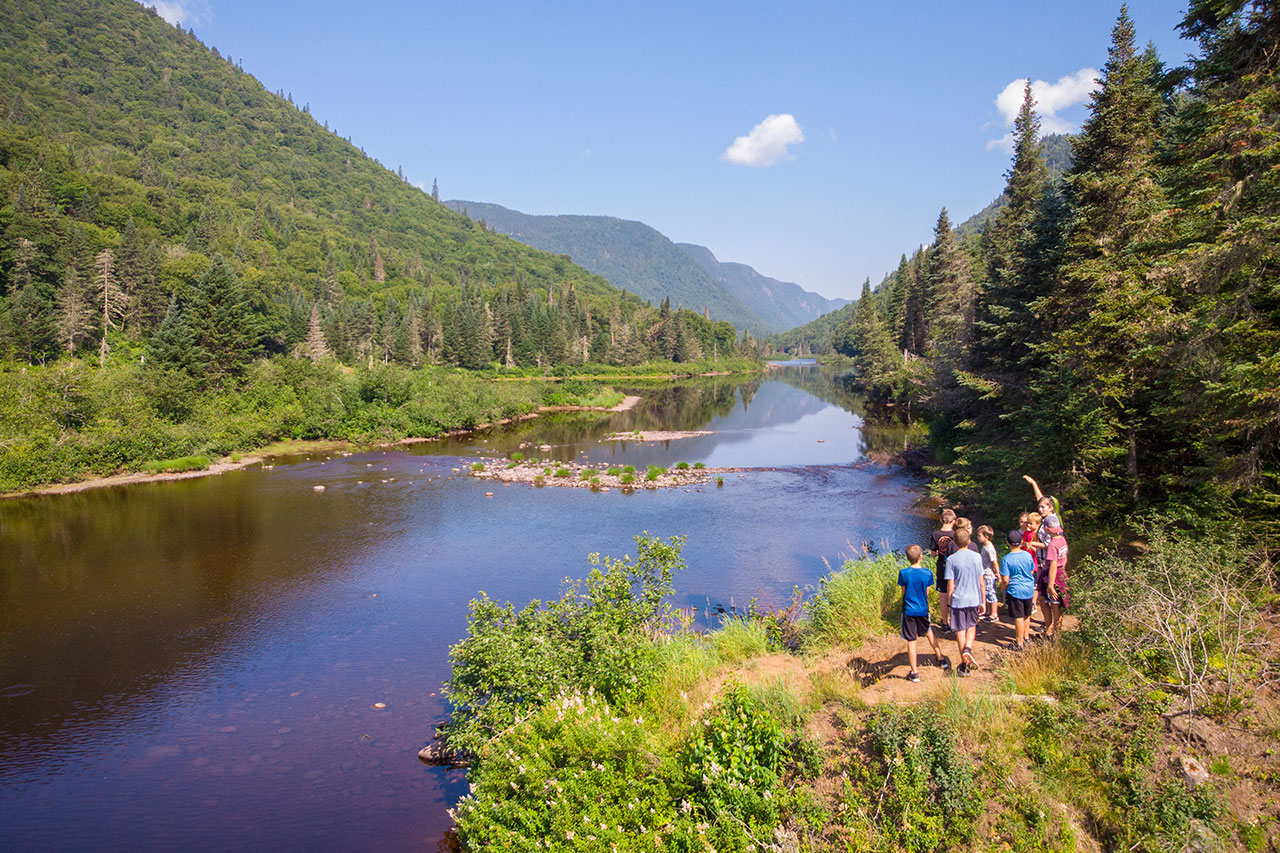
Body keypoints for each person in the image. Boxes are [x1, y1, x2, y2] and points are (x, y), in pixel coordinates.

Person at [898, 544, 950, 682]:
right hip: (923, 609)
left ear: (908, 558)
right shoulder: (928, 573)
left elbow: (903, 592)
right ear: (921, 557)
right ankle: (941, 659)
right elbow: (927, 592)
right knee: (928, 631)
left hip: (908, 610)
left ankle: (914, 672)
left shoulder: (904, 573)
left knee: (911, 640)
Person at [944, 527, 985, 675]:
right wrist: (983, 601)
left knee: (960, 630)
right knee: (972, 626)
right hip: (974, 598)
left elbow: (950, 585)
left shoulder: (951, 560)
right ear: (969, 541)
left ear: (954, 542)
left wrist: (949, 603)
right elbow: (981, 582)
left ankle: (964, 664)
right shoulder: (977, 557)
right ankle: (968, 649)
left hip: (958, 600)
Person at [1000, 530, 1036, 650]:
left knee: (1018, 617)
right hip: (1029, 589)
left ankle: (1019, 643)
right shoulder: (1027, 555)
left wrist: (1004, 588)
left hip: (1015, 591)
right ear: (1021, 542)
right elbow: (1032, 570)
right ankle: (1026, 637)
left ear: (1007, 543)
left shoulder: (1006, 559)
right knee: (1027, 614)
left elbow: (1005, 579)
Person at [1040, 517, 1070, 639]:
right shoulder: (1062, 540)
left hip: (1053, 576)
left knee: (1053, 605)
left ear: (1046, 528)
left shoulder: (1052, 545)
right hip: (1061, 573)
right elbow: (1065, 557)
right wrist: (1062, 569)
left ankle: (1052, 633)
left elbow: (1052, 565)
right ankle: (1055, 632)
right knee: (1057, 605)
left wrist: (1050, 585)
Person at [929, 509, 957, 629]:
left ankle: (945, 623)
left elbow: (933, 553)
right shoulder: (956, 535)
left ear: (941, 520)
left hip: (942, 566)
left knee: (943, 594)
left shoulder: (935, 534)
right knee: (955, 593)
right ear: (954, 522)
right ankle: (956, 622)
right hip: (955, 567)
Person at [976, 525, 999, 622]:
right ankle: (989, 612)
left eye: (979, 535)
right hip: (984, 573)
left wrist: (997, 574)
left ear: (986, 537)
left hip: (989, 574)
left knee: (991, 593)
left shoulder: (989, 548)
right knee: (986, 593)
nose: (978, 537)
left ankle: (994, 614)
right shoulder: (985, 546)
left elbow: (994, 562)